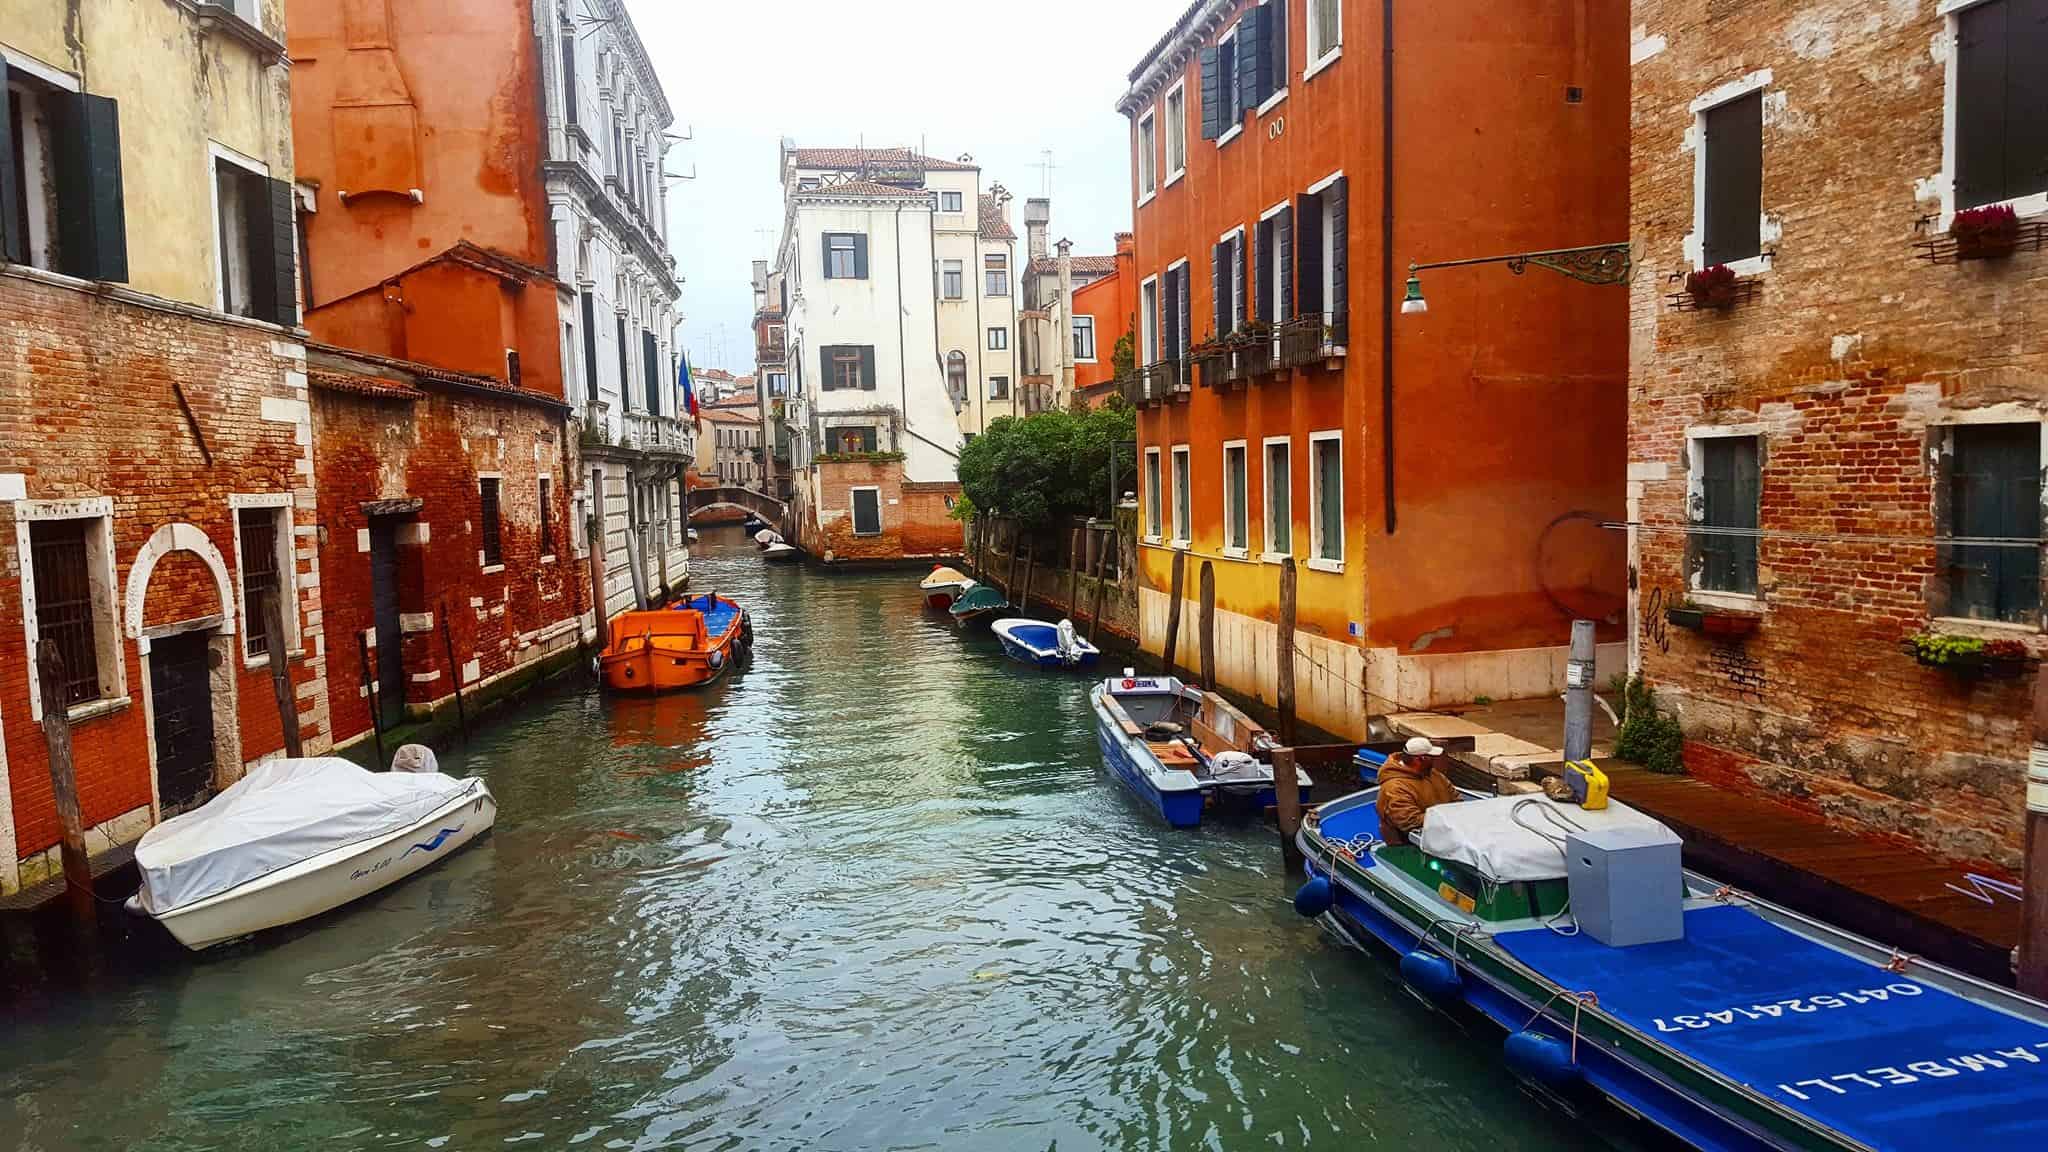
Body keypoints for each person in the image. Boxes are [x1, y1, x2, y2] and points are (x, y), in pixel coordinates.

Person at [1377, 736, 1459, 847]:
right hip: (1409, 845)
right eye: (1431, 757)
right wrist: (1447, 816)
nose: (1435, 760)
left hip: (1445, 833)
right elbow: (1410, 822)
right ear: (1420, 759)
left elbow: (1455, 797)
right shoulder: (1395, 788)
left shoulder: (1433, 774)